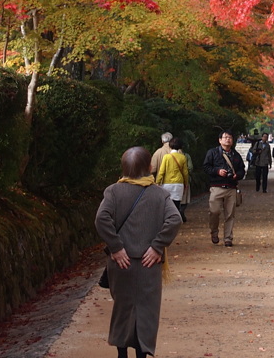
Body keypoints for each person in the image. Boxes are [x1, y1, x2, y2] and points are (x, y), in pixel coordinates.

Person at [96, 146, 182, 358]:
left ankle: (122, 354)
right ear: (150, 167)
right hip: (148, 263)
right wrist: (157, 246)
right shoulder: (159, 194)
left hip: (120, 263)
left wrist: (116, 247)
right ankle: (142, 354)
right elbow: (175, 219)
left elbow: (101, 219)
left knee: (123, 308)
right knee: (146, 310)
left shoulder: (113, 191)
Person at [203, 131, 246, 246]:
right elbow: (206, 167)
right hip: (216, 187)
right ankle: (214, 232)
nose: (228, 139)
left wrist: (238, 175)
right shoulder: (212, 153)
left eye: (230, 137)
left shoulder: (236, 155)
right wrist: (217, 171)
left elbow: (242, 169)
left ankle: (228, 238)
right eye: (225, 137)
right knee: (214, 212)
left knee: (230, 214)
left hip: (231, 187)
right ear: (220, 140)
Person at [155, 136, 190, 222]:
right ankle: (176, 220)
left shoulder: (166, 157)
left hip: (167, 183)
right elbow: (185, 172)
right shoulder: (182, 157)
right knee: (177, 203)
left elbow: (161, 171)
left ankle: (167, 220)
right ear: (180, 146)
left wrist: (157, 182)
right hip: (179, 183)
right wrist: (186, 183)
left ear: (170, 146)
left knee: (167, 203)